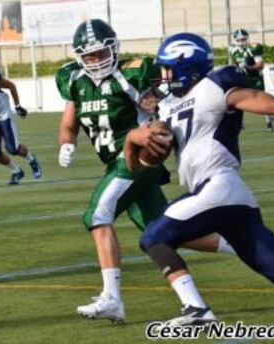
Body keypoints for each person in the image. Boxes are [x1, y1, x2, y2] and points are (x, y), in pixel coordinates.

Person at [124, 32, 274, 326]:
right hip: (229, 197)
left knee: (153, 236)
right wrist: (132, 140)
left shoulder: (214, 87)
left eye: (168, 68)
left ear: (185, 65)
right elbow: (139, 168)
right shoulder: (167, 107)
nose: (163, 76)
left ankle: (197, 310)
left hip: (217, 185)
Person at [56, 19, 235, 322]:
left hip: (137, 159)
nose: (96, 60)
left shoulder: (133, 72)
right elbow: (68, 123)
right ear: (79, 58)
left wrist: (153, 108)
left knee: (97, 214)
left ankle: (111, 297)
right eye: (89, 56)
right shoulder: (73, 79)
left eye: (101, 53)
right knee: (162, 231)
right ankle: (237, 246)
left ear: (113, 48)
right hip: (116, 163)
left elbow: (166, 101)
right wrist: (66, 143)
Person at [0, 67, 42, 185]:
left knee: (13, 149)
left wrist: (17, 106)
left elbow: (11, 86)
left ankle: (32, 159)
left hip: (4, 116)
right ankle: (17, 171)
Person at [230, 28, 274, 131]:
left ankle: (268, 121)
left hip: (255, 78)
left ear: (247, 39)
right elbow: (233, 64)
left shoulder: (253, 49)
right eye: (239, 40)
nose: (241, 42)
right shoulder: (234, 51)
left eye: (243, 39)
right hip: (242, 79)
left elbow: (260, 65)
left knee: (261, 100)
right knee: (239, 101)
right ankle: (240, 123)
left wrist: (249, 67)